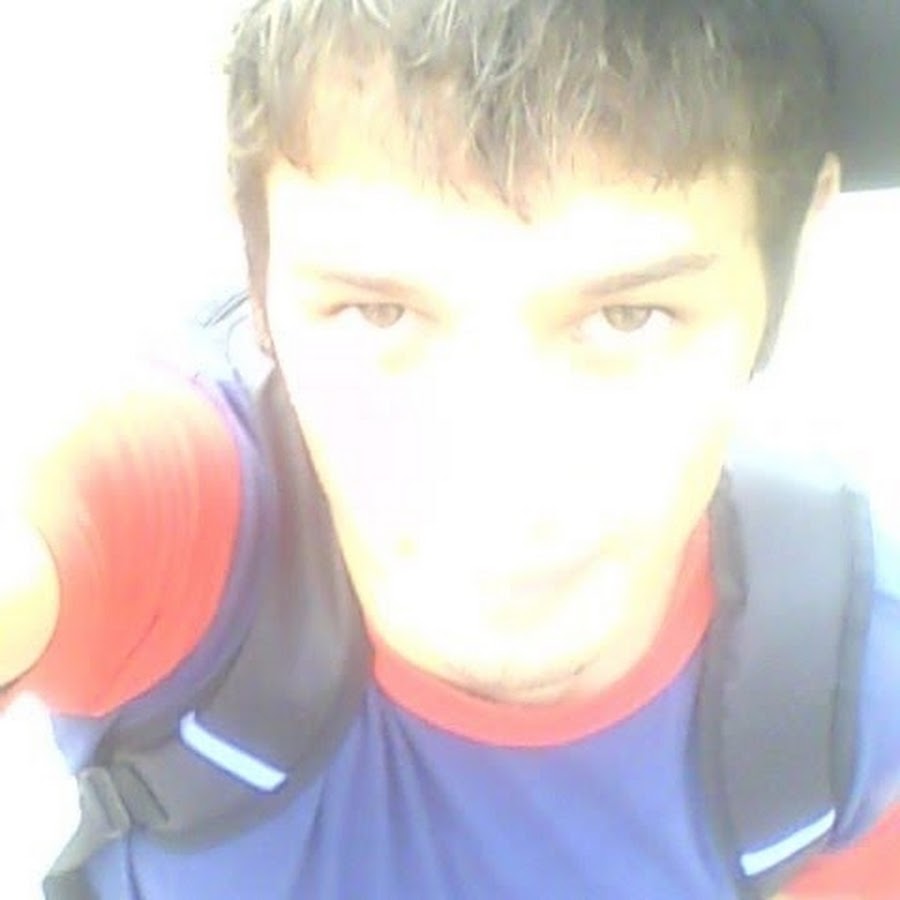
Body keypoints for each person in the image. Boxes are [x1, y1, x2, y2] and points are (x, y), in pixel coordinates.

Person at [1, 1, 899, 897]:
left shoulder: (850, 689)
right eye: (376, 313)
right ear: (259, 279)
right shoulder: (180, 535)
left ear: (794, 251)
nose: (498, 492)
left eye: (630, 318)